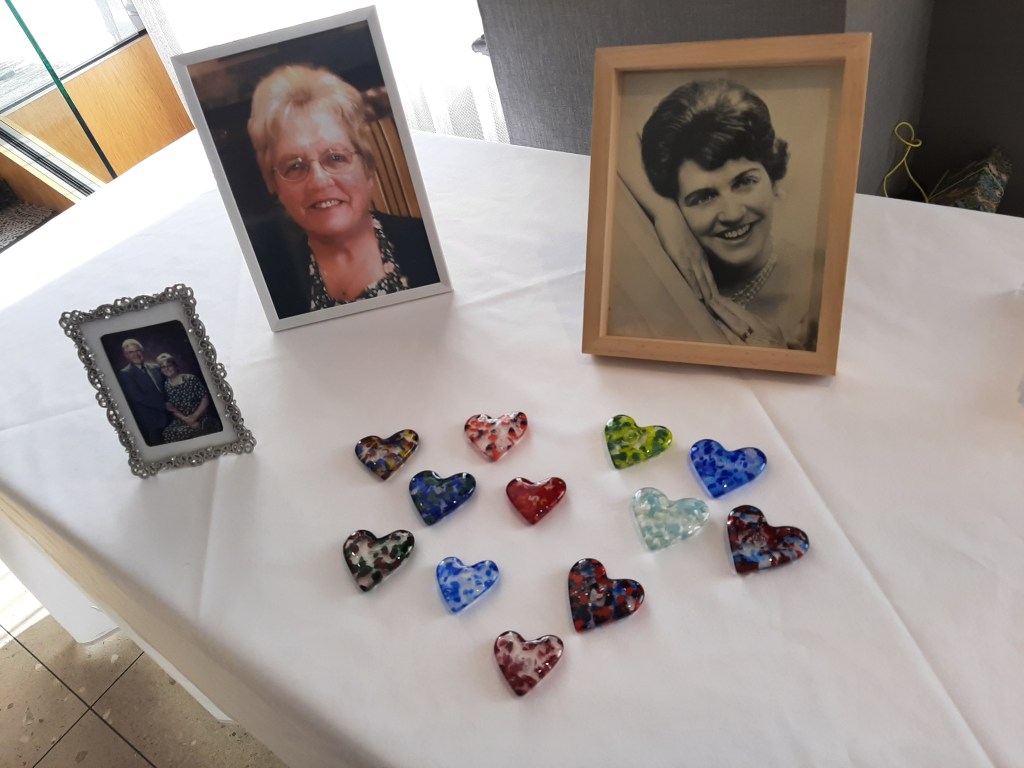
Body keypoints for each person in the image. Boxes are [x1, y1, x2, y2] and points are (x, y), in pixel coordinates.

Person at [624, 79, 817, 350]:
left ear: (772, 180)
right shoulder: (664, 280)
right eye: (704, 197)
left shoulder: (816, 296)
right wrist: (663, 212)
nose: (733, 213)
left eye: (745, 182)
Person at [246, 64, 439, 316]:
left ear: (367, 168)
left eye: (335, 158)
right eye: (295, 166)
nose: (318, 181)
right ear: (275, 185)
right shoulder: (267, 286)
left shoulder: (430, 245)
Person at [155, 353, 221, 444]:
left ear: (175, 366)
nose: (166, 369)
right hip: (182, 419)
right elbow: (171, 408)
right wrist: (187, 420)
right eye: (163, 367)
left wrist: (194, 417)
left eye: (169, 365)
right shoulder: (166, 385)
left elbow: (205, 399)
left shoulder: (190, 379)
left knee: (187, 433)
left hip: (200, 416)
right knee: (167, 433)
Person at [118, 339, 170, 446]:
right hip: (151, 421)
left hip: (171, 415)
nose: (136, 354)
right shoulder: (125, 374)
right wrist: (164, 406)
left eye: (137, 351)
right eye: (131, 352)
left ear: (142, 351)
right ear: (126, 355)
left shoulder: (156, 367)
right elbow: (137, 397)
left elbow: (167, 387)